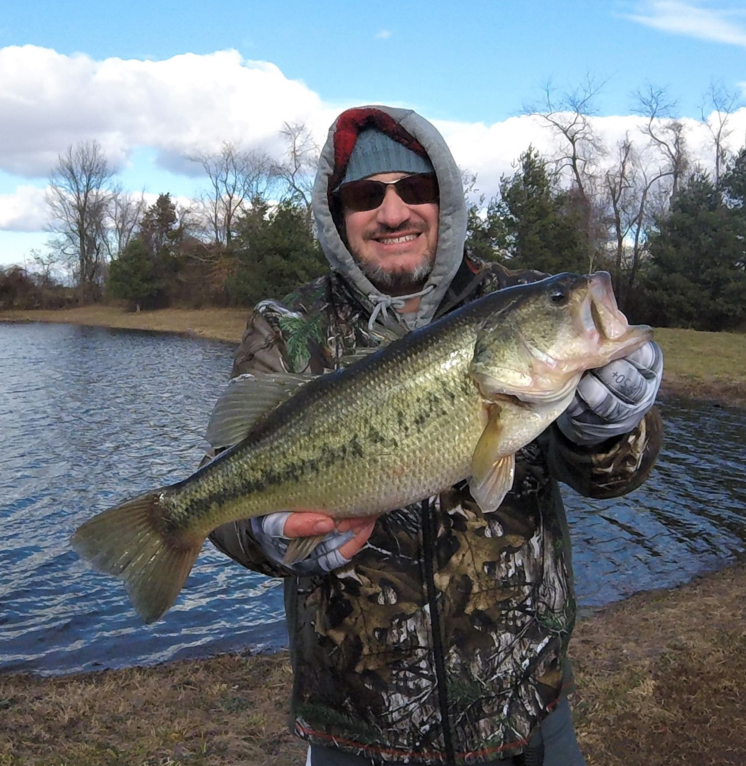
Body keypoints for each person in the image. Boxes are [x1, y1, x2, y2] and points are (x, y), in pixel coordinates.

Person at [209, 105, 663, 765]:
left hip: (526, 714)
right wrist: (264, 536)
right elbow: (226, 476)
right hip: (357, 731)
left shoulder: (511, 294)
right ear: (339, 216)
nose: (393, 213)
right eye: (367, 196)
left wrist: (608, 434)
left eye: (413, 189)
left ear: (443, 200)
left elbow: (612, 477)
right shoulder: (285, 326)